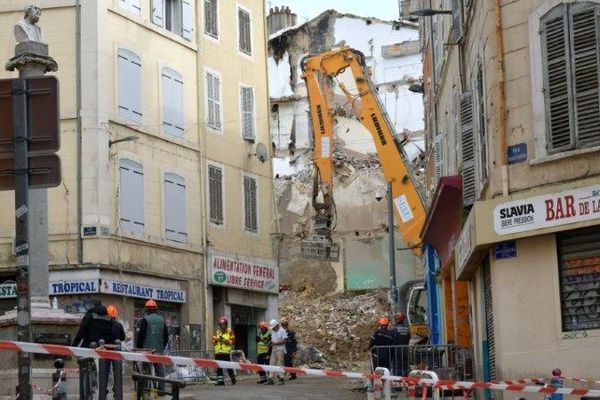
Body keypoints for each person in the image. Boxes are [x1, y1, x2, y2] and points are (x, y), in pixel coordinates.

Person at [136, 300, 169, 393]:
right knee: (160, 371)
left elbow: (141, 335)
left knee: (147, 370)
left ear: (147, 309)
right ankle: (161, 390)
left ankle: (146, 390)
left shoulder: (145, 319)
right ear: (156, 309)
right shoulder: (162, 320)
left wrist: (139, 347)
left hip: (147, 350)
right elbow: (166, 336)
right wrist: (162, 346)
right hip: (159, 350)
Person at [99, 305, 126, 399]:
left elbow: (100, 337)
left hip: (105, 353)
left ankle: (103, 392)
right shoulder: (119, 325)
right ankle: (117, 392)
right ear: (115, 315)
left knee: (104, 373)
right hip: (116, 353)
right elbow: (123, 337)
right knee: (117, 373)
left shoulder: (102, 325)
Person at [212, 316, 236, 386]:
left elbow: (233, 341)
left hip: (226, 353)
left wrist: (226, 341)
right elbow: (213, 341)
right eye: (221, 324)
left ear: (226, 324)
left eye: (224, 324)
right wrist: (216, 340)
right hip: (218, 352)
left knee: (228, 366)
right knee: (219, 367)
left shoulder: (230, 332)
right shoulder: (216, 332)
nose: (222, 325)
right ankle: (220, 381)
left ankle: (233, 379)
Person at [266, 319, 287, 385]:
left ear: (277, 325)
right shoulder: (273, 331)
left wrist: (276, 343)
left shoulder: (282, 331)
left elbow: (285, 340)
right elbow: (272, 339)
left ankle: (281, 378)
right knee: (271, 363)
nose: (273, 329)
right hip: (274, 349)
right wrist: (270, 343)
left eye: (273, 327)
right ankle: (271, 378)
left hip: (280, 349)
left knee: (280, 364)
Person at [392, 312, 410, 376]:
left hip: (397, 350)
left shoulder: (395, 329)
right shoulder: (407, 329)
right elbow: (408, 338)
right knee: (405, 364)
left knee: (397, 365)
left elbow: (392, 339)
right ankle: (406, 377)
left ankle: (398, 379)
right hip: (405, 349)